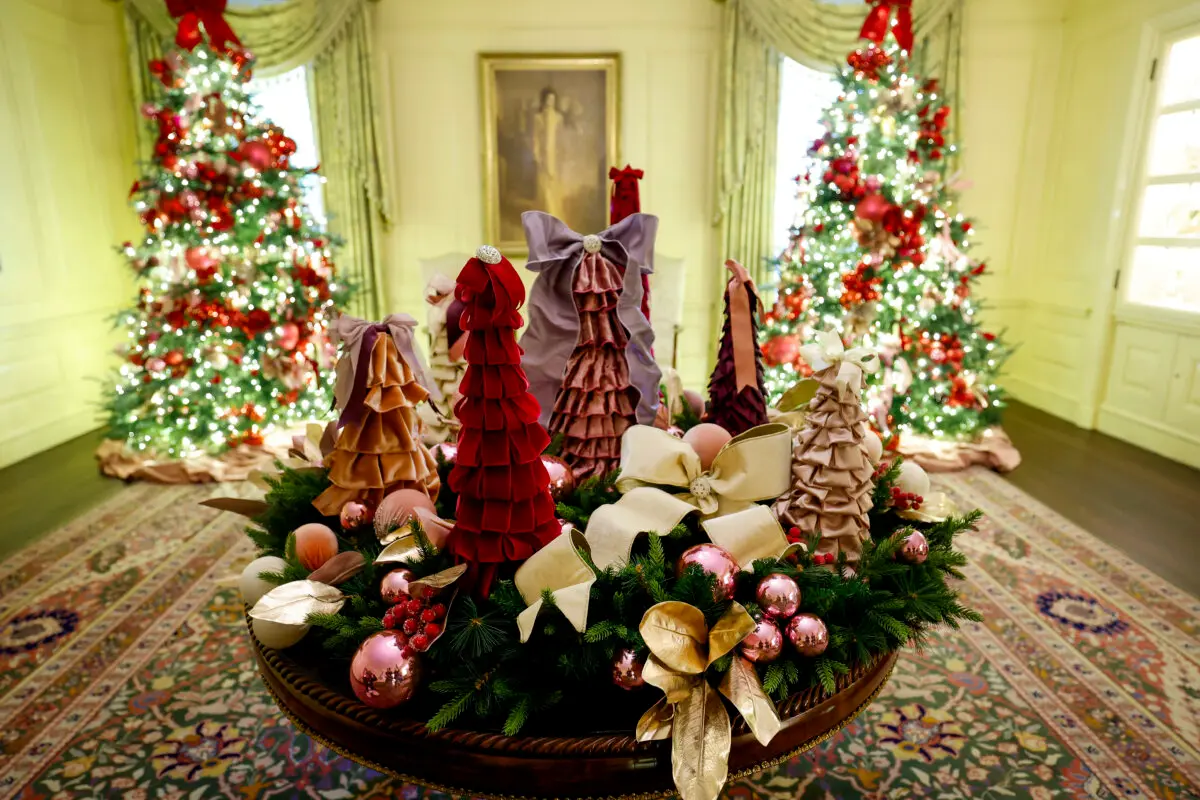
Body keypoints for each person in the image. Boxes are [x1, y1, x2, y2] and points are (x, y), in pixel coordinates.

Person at [532, 87, 566, 218]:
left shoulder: (558, 118)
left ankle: (554, 214)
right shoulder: (538, 117)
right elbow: (535, 137)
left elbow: (561, 137)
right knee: (543, 184)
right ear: (544, 100)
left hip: (555, 155)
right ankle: (546, 214)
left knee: (554, 184)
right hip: (543, 154)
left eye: (553, 99)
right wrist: (536, 154)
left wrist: (561, 153)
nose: (550, 102)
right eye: (548, 99)